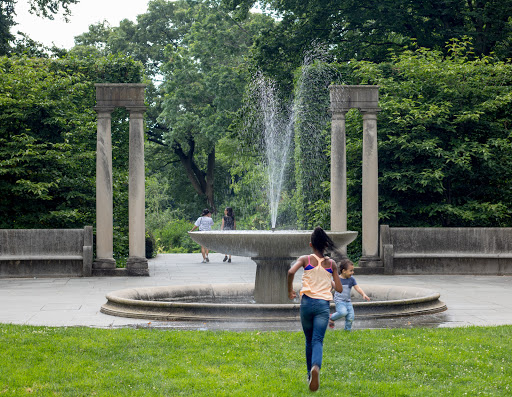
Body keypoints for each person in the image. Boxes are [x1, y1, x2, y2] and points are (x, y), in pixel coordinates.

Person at [287, 227, 343, 392]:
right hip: (322, 306)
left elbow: (290, 271)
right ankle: (316, 368)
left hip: (306, 304)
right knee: (317, 340)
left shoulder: (305, 259)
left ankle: (309, 375)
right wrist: (332, 280)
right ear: (326, 245)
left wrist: (290, 290)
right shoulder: (331, 264)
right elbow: (339, 288)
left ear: (311, 244)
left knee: (308, 339)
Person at [329, 259, 370, 330]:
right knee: (343, 312)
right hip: (339, 301)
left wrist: (363, 294)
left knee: (351, 317)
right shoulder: (337, 279)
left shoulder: (351, 279)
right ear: (344, 271)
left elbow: (357, 288)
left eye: (353, 270)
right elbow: (330, 288)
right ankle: (332, 317)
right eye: (351, 271)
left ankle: (347, 331)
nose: (353, 272)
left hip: (348, 301)